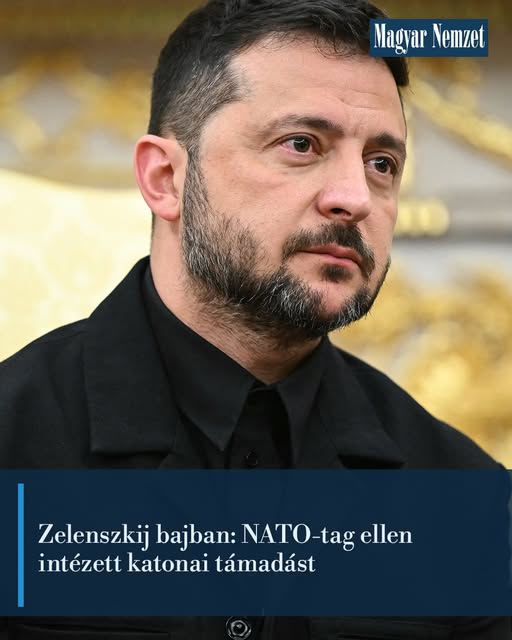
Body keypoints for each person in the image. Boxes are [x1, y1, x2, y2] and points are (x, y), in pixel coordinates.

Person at [0, 0, 509, 638]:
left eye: (381, 163)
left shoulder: (460, 495)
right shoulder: (14, 447)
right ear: (165, 178)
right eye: (301, 145)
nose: (354, 197)